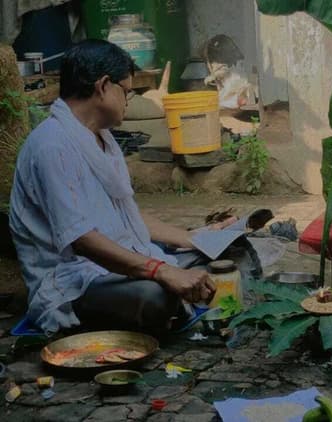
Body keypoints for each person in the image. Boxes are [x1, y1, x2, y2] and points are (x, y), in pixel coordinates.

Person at [9, 40, 232, 335]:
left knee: (228, 253)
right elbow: (83, 241)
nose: (128, 101)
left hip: (124, 261)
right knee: (155, 296)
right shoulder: (51, 146)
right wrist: (162, 271)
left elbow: (126, 215)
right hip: (76, 281)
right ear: (103, 86)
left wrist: (196, 238)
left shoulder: (102, 138)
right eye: (126, 92)